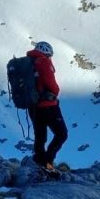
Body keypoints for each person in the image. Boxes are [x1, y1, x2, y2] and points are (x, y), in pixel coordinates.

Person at [27, 41, 68, 173]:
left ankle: (39, 161)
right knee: (61, 134)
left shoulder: (28, 61)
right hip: (48, 106)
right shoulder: (43, 62)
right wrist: (55, 92)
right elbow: (51, 84)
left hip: (33, 107)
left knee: (40, 137)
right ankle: (48, 164)